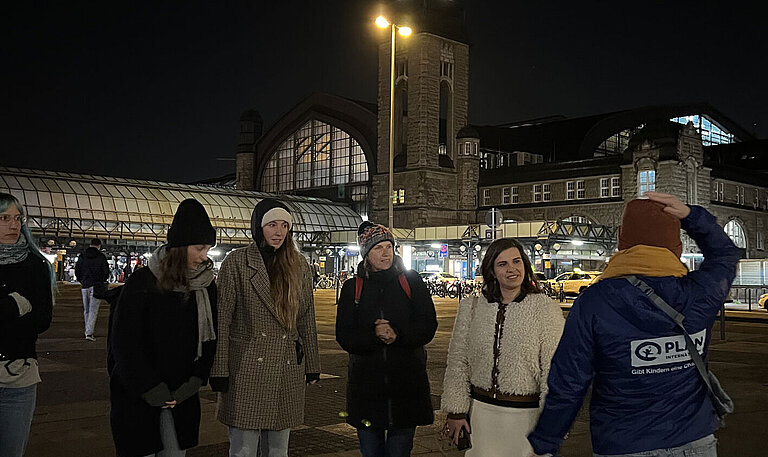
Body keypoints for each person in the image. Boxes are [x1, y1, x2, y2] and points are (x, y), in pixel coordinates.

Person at [527, 192, 741, 457]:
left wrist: (546, 441)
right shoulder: (699, 293)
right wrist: (691, 217)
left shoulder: (596, 301)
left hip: (624, 441)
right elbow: (726, 254)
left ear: (620, 240)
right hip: (695, 439)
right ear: (678, 247)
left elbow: (570, 381)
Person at [210, 198, 320, 457]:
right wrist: (219, 368)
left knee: (278, 450)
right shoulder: (236, 262)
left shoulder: (299, 265)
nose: (279, 232)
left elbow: (306, 317)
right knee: (243, 449)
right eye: (272, 224)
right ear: (259, 227)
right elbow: (222, 318)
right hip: (246, 369)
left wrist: (313, 365)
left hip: (286, 368)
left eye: (284, 225)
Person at [109, 199, 218, 457]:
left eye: (208, 249)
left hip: (181, 394)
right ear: (180, 247)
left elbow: (211, 338)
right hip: (138, 392)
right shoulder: (143, 282)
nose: (205, 256)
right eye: (200, 248)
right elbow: (124, 342)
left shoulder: (206, 285)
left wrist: (194, 381)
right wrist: (150, 386)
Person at [441, 237, 564, 457]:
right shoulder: (472, 308)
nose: (512, 269)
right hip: (481, 416)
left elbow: (554, 370)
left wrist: (552, 425)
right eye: (502, 264)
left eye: (517, 262)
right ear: (491, 271)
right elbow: (458, 362)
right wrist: (456, 411)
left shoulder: (545, 308)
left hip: (527, 419)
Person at [336, 221, 438, 457]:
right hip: (367, 390)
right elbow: (344, 335)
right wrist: (375, 336)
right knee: (370, 452)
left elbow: (428, 325)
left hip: (406, 388)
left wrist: (397, 334)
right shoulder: (353, 288)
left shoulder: (412, 282)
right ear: (365, 254)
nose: (385, 253)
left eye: (388, 247)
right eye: (377, 248)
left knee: (399, 452)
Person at [0, 192, 55, 457]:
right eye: (4, 218)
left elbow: (42, 320)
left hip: (19, 376)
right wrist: (14, 306)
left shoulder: (36, 265)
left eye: (17, 218)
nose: (14, 225)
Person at [75, 238, 109, 341]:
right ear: (99, 246)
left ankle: (87, 330)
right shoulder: (101, 257)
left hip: (85, 286)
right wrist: (101, 280)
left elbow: (77, 271)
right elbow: (106, 272)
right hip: (97, 286)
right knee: (93, 311)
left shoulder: (82, 256)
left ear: (90, 244)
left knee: (86, 310)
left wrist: (82, 281)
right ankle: (89, 333)